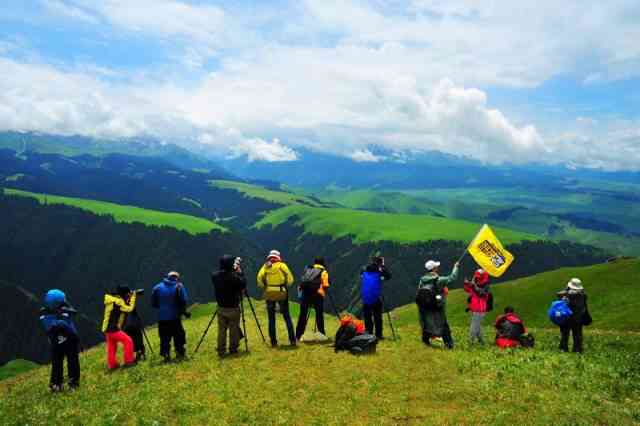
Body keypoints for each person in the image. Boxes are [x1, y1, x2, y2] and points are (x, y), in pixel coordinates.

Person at [39, 289, 80, 392]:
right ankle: (72, 382)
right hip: (68, 339)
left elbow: (71, 312)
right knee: (71, 361)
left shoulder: (45, 313)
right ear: (57, 303)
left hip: (57, 342)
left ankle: (57, 383)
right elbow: (56, 326)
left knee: (58, 362)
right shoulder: (48, 314)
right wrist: (62, 318)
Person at [257, 250, 296, 347]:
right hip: (281, 291)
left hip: (269, 292)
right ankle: (292, 340)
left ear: (269, 257)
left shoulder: (265, 266)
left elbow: (259, 279)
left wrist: (265, 287)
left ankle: (273, 342)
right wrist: (285, 286)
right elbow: (290, 279)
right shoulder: (282, 265)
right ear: (278, 257)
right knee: (286, 316)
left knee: (271, 318)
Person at [417, 260, 459, 349]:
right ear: (434, 269)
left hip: (425, 305)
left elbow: (420, 291)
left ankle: (425, 341)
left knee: (427, 322)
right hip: (437, 305)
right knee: (443, 323)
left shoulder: (422, 280)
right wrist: (456, 267)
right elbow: (452, 277)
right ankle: (449, 344)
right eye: (436, 266)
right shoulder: (438, 280)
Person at [211, 255, 247, 357]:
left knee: (222, 330)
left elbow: (220, 274)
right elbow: (243, 284)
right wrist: (240, 273)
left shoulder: (215, 276)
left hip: (221, 307)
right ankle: (233, 348)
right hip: (233, 307)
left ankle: (221, 349)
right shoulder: (234, 277)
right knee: (234, 329)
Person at [152, 271, 189, 362]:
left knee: (164, 337)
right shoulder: (179, 286)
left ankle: (166, 354)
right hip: (175, 317)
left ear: (167, 277)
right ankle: (179, 353)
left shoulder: (157, 287)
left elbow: (154, 303)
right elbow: (184, 300)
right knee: (179, 335)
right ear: (177, 278)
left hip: (162, 318)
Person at [102, 285, 137, 370]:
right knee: (128, 341)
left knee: (112, 347)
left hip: (107, 328)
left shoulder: (111, 300)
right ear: (124, 294)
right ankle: (129, 361)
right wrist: (133, 298)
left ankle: (112, 365)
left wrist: (127, 299)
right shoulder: (118, 302)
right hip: (113, 329)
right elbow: (129, 309)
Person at [295, 257, 330, 340]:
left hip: (305, 294)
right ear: (323, 263)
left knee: (303, 315)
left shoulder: (308, 269)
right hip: (317, 296)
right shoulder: (323, 272)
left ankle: (298, 334)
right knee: (319, 315)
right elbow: (325, 284)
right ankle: (321, 334)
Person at [360, 253, 392, 339]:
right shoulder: (380, 270)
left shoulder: (364, 269)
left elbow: (361, 275)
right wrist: (383, 266)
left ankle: (368, 332)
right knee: (377, 316)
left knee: (367, 316)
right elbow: (388, 276)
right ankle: (378, 335)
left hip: (365, 296)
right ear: (380, 263)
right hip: (375, 297)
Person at [557, 278, 589, 353]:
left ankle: (563, 348)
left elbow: (558, 295)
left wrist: (566, 289)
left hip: (567, 317)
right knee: (577, 334)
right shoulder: (583, 295)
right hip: (578, 318)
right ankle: (577, 349)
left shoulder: (566, 294)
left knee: (564, 334)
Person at [463, 269, 490, 345]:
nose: (477, 278)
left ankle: (471, 341)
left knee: (474, 325)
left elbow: (482, 293)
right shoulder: (476, 282)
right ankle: (482, 341)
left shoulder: (486, 284)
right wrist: (466, 284)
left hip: (480, 308)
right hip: (474, 307)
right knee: (477, 325)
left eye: (479, 277)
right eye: (477, 276)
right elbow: (468, 290)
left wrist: (473, 285)